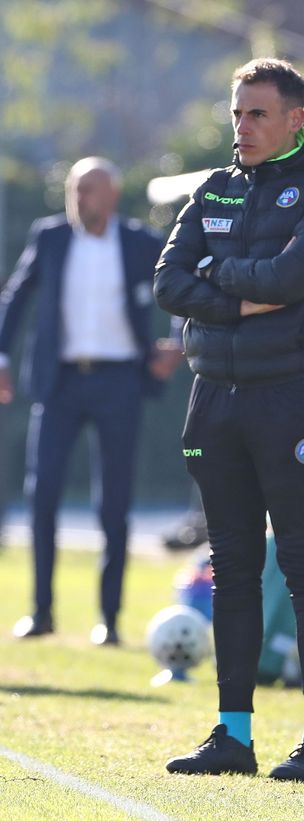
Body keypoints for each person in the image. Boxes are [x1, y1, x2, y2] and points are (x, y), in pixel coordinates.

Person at [154, 57, 304, 782]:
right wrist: (237, 292)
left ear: (294, 119)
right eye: (236, 113)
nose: (241, 127)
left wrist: (217, 279)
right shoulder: (213, 186)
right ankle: (231, 734)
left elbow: (293, 277)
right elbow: (167, 282)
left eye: (257, 114)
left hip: (291, 399)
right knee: (231, 570)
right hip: (213, 400)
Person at [0, 157, 181, 644]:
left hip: (119, 380)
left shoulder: (141, 242)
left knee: (114, 503)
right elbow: (15, 296)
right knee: (43, 496)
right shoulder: (51, 237)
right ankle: (41, 612)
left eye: (89, 190)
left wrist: (178, 342)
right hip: (60, 384)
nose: (79, 199)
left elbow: (182, 285)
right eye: (75, 190)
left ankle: (110, 619)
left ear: (112, 195)